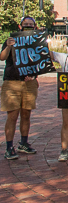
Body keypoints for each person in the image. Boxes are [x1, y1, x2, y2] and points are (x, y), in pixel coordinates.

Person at [1, 17, 40, 159]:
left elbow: (41, 60)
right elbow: (2, 57)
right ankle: (9, 147)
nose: (28, 26)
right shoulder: (11, 39)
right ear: (20, 26)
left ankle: (24, 143)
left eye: (31, 25)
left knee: (26, 114)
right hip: (12, 82)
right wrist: (9, 46)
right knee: (12, 115)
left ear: (34, 26)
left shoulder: (36, 41)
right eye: (26, 25)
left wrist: (34, 76)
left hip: (29, 82)